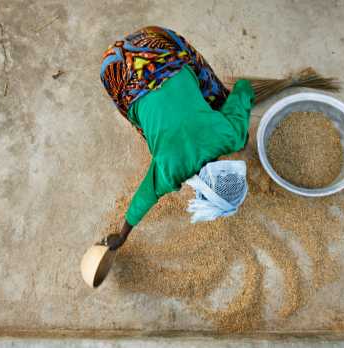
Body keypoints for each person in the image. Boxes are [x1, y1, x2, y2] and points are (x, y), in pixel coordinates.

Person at [99, 26, 255, 250]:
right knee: (147, 126)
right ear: (200, 191)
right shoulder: (169, 170)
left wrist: (243, 129)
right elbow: (143, 199)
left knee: (218, 98)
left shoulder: (232, 135)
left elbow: (244, 87)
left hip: (155, 41)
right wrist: (121, 237)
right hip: (114, 70)